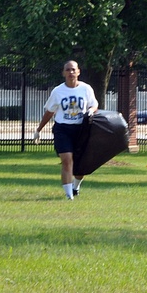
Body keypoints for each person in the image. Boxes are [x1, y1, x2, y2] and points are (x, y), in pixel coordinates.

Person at [35, 60, 99, 200]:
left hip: (81, 128)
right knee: (67, 160)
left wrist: (90, 111)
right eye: (68, 70)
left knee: (80, 164)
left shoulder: (86, 89)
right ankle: (69, 196)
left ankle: (75, 187)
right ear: (63, 73)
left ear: (78, 71)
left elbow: (94, 105)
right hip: (62, 129)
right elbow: (49, 112)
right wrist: (38, 129)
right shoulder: (58, 91)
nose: (71, 72)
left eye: (73, 69)